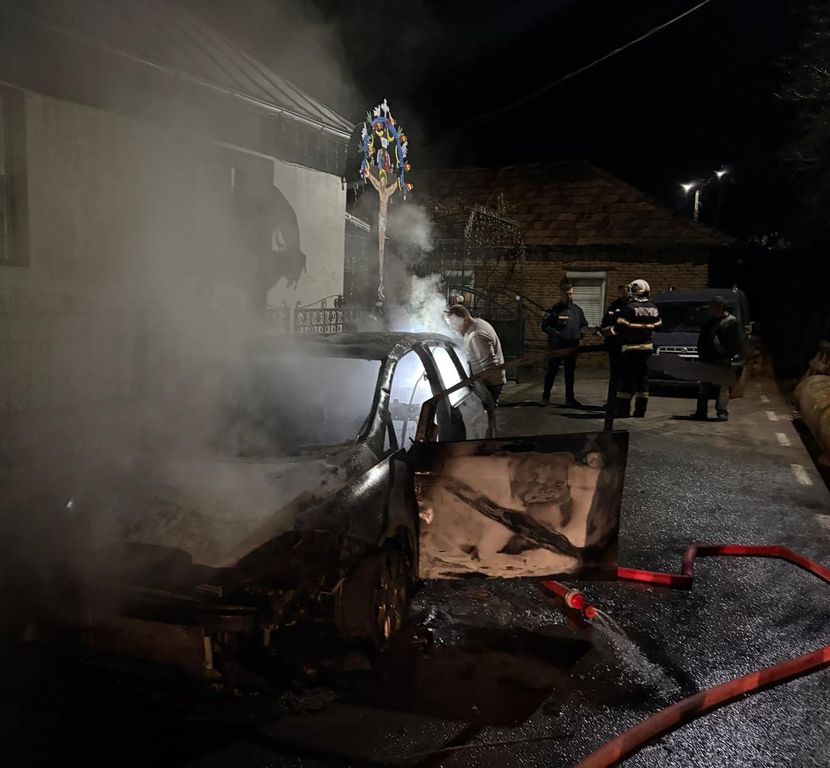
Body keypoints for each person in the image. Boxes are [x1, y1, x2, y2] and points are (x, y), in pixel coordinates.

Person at [690, 296, 744, 421]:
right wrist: (702, 355)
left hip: (722, 360)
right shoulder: (709, 322)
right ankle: (701, 411)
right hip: (708, 359)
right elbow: (702, 340)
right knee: (704, 387)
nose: (712, 310)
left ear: (721, 307)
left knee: (723, 388)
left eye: (714, 307)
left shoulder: (731, 322)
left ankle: (722, 411)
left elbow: (736, 343)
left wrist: (727, 354)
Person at [613, 279, 661, 418]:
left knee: (626, 379)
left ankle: (623, 410)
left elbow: (619, 326)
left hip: (630, 349)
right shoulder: (654, 308)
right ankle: (640, 411)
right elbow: (659, 325)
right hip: (647, 349)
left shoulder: (630, 308)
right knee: (643, 379)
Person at [445, 304, 506, 405]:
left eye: (454, 323)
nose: (453, 327)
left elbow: (489, 366)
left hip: (489, 384)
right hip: (492, 382)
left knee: (484, 411)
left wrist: (480, 389)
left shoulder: (476, 335)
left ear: (465, 319)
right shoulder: (479, 322)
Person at [540, 282, 588, 407]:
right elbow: (545, 326)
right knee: (551, 372)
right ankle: (545, 397)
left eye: (571, 294)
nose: (569, 296)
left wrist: (581, 333)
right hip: (557, 347)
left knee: (569, 373)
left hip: (572, 346)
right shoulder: (554, 310)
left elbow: (584, 324)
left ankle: (570, 399)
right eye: (567, 294)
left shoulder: (577, 310)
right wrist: (555, 334)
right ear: (561, 294)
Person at [600, 284, 630, 394]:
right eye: (621, 292)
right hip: (614, 346)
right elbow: (605, 321)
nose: (623, 294)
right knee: (614, 375)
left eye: (625, 291)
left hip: (628, 346)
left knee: (626, 375)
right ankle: (612, 400)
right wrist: (606, 330)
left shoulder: (632, 306)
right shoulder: (614, 305)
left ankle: (623, 399)